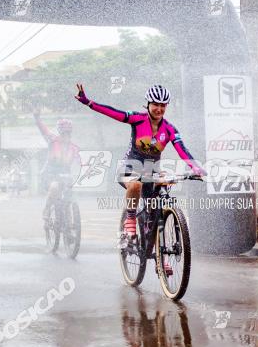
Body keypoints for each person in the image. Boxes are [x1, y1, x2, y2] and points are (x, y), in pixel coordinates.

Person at [73, 83, 205, 268]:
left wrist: (195, 167)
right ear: (148, 104)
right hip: (130, 167)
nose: (159, 108)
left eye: (163, 105)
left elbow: (183, 150)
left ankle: (161, 255)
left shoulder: (169, 129)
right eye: (155, 104)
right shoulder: (137, 119)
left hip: (152, 172)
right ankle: (129, 222)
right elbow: (113, 112)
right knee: (135, 185)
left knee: (158, 207)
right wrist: (88, 102)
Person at [34, 112, 81, 222]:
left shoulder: (74, 148)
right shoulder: (52, 140)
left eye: (68, 133)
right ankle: (47, 209)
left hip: (65, 175)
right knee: (54, 186)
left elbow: (81, 161)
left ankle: (68, 226)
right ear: (59, 132)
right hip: (50, 174)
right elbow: (43, 130)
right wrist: (37, 118)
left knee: (69, 196)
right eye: (63, 133)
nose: (66, 136)